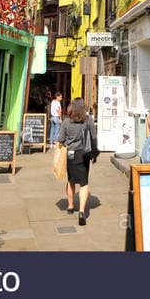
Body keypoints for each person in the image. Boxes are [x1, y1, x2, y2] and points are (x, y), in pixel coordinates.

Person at [55, 97, 97, 226]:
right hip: (84, 155)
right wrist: (94, 153)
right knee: (84, 183)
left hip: (71, 155)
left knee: (71, 180)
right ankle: (82, 211)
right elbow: (94, 137)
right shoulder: (88, 120)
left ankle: (70, 205)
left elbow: (60, 139)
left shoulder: (66, 122)